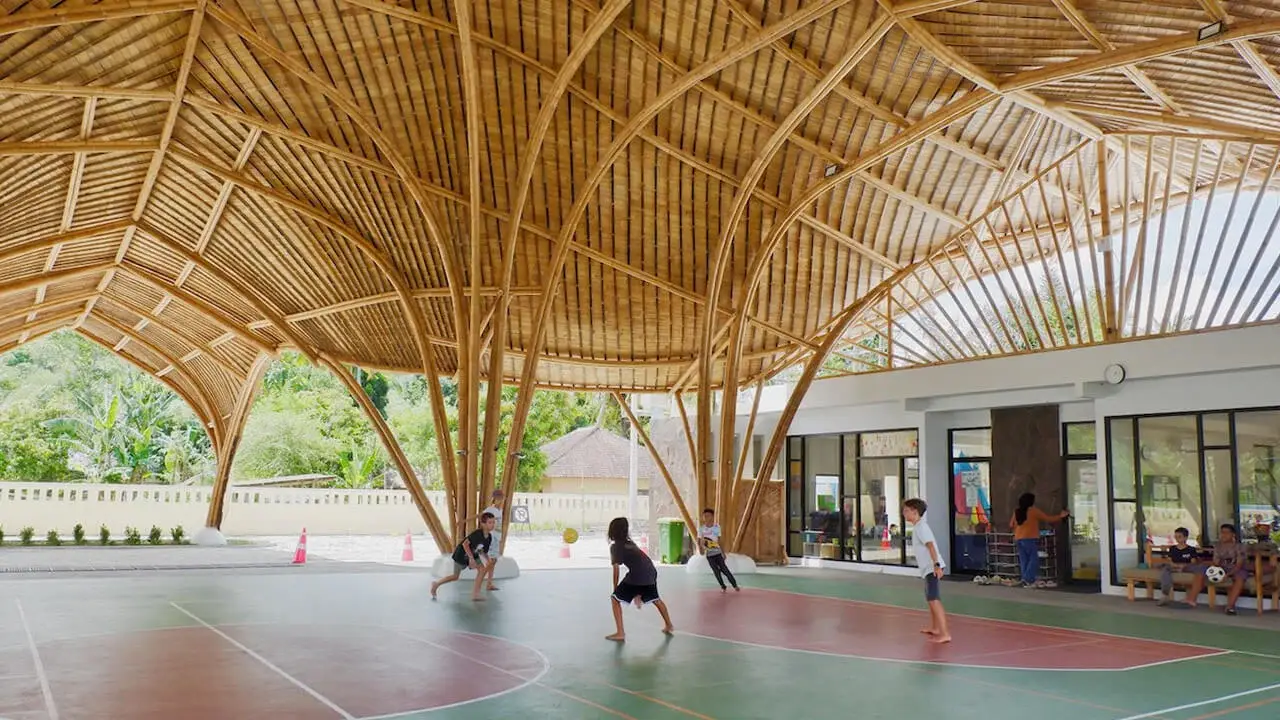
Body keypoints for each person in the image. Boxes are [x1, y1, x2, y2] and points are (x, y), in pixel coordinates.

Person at [606, 517, 673, 641]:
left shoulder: (616, 547)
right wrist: (638, 593)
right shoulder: (630, 543)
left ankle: (620, 633)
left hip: (638, 575)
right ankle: (669, 625)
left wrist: (615, 589)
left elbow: (616, 570)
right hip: (651, 572)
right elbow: (642, 564)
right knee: (656, 599)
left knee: (615, 599)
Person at [903, 498, 949, 644]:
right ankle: (935, 628)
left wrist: (936, 565)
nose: (904, 513)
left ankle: (945, 633)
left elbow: (930, 546)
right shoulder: (918, 527)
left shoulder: (922, 527)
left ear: (915, 512)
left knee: (934, 599)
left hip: (932, 567)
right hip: (928, 568)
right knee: (930, 598)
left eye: (906, 511)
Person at [1185, 523, 1250, 615]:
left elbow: (1239, 565)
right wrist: (1215, 571)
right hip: (1222, 568)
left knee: (1240, 577)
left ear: (1233, 535)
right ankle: (1191, 600)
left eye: (1226, 533)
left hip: (1236, 568)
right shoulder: (1218, 546)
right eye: (1222, 532)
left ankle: (1230, 606)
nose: (1223, 535)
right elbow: (1216, 562)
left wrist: (1227, 575)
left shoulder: (1240, 547)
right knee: (1201, 569)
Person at [430, 512, 495, 602]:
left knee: (483, 568)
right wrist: (471, 559)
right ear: (483, 524)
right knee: (455, 576)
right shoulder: (477, 534)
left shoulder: (489, 537)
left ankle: (475, 594)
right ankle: (436, 584)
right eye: (490, 522)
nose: (492, 525)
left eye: (493, 522)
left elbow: (481, 550)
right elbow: (465, 544)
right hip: (461, 555)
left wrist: (487, 559)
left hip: (472, 555)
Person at [1010, 492, 1069, 587]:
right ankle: (1027, 578)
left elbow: (1011, 524)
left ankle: (1026, 580)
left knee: (1024, 560)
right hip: (1029, 538)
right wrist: (1061, 516)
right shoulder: (1033, 511)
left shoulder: (1016, 511)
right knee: (1034, 559)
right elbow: (1048, 519)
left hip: (1018, 538)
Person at [699, 508, 739, 592]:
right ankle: (723, 586)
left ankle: (735, 585)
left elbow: (720, 540)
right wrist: (701, 550)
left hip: (718, 553)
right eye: (704, 516)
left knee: (724, 569)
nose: (706, 518)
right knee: (716, 572)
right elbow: (699, 541)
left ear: (712, 517)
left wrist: (723, 553)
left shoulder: (716, 527)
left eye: (708, 516)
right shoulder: (702, 529)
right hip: (709, 555)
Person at [1157, 527, 1199, 606]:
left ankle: (1190, 599)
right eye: (1175, 537)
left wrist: (1183, 566)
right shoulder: (1173, 549)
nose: (1177, 539)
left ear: (1185, 537)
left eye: (1179, 537)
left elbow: (1194, 562)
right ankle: (1165, 594)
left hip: (1186, 567)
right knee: (1166, 570)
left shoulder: (1191, 549)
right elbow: (1169, 560)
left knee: (1194, 568)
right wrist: (1174, 564)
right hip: (1174, 566)